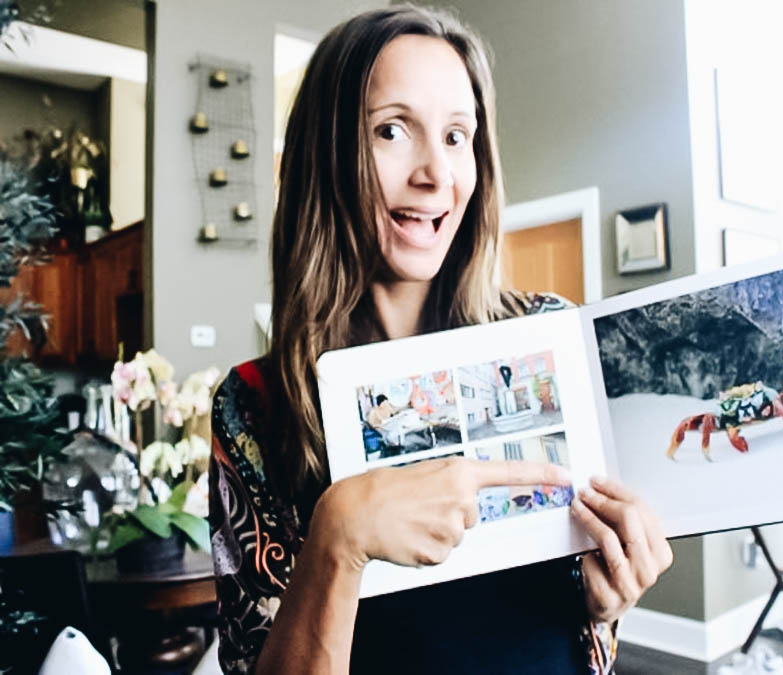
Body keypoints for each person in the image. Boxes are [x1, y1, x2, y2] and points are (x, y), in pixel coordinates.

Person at [209, 6, 673, 674]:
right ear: (327, 152)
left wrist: (606, 602)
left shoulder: (546, 332)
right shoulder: (253, 406)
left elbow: (583, 618)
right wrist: (337, 539)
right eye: (392, 130)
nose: (436, 173)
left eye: (458, 136)